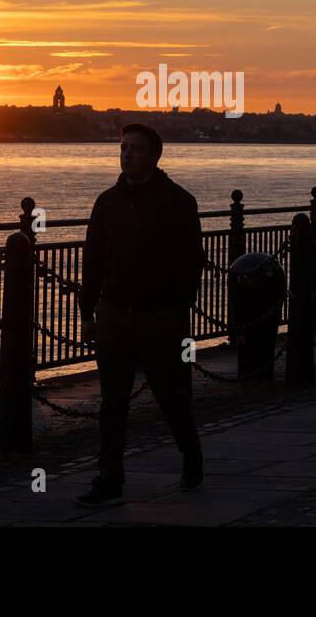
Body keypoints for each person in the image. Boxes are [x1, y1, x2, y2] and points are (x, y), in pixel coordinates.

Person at [74, 123, 205, 508]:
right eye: (123, 147)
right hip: (113, 313)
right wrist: (87, 313)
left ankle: (191, 457)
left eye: (135, 148)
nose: (126, 154)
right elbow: (92, 263)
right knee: (113, 402)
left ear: (153, 156)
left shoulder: (178, 202)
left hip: (160, 316)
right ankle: (109, 478)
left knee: (170, 395)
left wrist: (178, 309)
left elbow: (191, 262)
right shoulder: (107, 203)